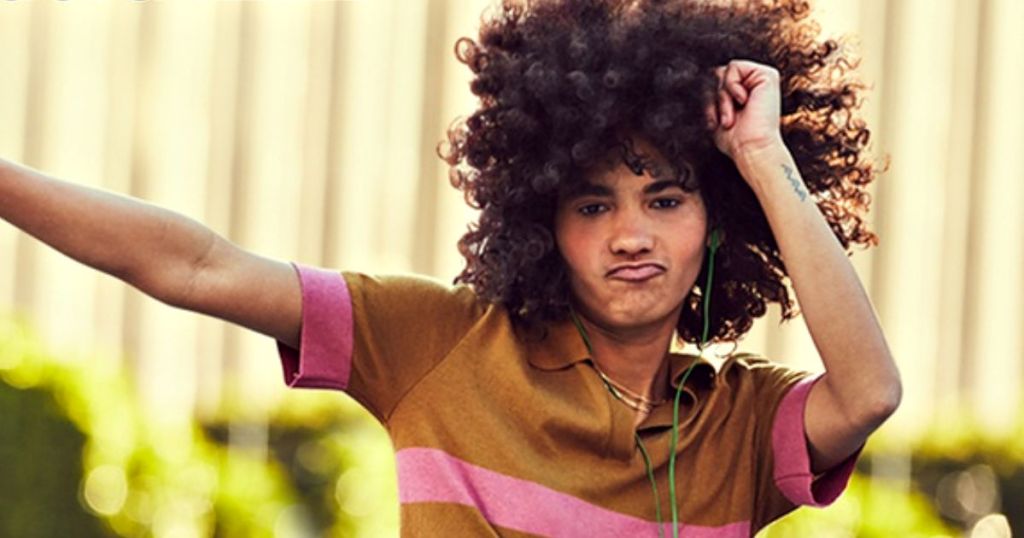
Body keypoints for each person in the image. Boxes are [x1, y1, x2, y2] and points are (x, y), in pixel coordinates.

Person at [0, 0, 901, 536]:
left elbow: (866, 396)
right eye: (593, 205)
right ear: (542, 223)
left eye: (665, 199)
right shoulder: (436, 344)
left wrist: (762, 159)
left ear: (718, 224)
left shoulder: (739, 421)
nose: (632, 235)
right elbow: (196, 265)